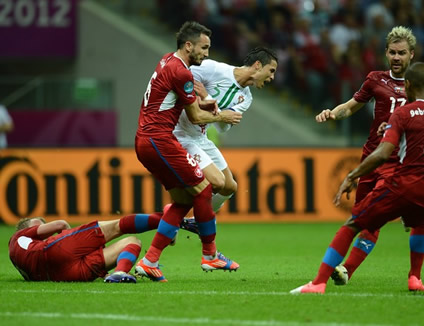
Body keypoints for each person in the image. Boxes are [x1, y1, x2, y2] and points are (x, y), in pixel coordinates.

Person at [314, 26, 424, 287]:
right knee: (364, 218)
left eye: (401, 53)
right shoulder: (375, 79)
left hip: (399, 163)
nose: (396, 58)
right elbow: (351, 107)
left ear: (412, 55)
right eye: (392, 53)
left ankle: (348, 270)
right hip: (373, 156)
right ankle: (348, 271)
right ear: (386, 53)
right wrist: (332, 112)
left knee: (375, 220)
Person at [291, 62, 424, 294]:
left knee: (354, 223)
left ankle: (318, 283)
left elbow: (382, 153)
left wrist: (352, 175)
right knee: (421, 222)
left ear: (408, 85)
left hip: (401, 184)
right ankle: (414, 278)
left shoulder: (404, 112)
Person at [134, 21, 243, 282]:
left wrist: (204, 100)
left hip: (146, 140)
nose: (206, 54)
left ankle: (150, 261)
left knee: (184, 200)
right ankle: (210, 254)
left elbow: (185, 99)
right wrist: (221, 117)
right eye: (204, 48)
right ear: (188, 45)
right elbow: (194, 117)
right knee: (204, 188)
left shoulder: (167, 61)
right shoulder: (181, 72)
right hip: (159, 140)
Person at [175, 47, 278, 232]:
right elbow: (181, 78)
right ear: (257, 65)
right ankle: (177, 219)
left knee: (230, 187)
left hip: (201, 135)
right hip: (180, 132)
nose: (272, 78)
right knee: (216, 182)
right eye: (271, 71)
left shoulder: (246, 98)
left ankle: (197, 221)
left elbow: (222, 126)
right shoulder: (214, 69)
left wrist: (206, 96)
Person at [8, 213, 164, 283]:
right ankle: (168, 221)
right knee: (117, 226)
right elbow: (60, 224)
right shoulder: (18, 236)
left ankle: (119, 273)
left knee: (133, 241)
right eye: (38, 225)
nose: (43, 228)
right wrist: (67, 237)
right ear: (25, 228)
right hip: (54, 251)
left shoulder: (19, 261)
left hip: (65, 275)